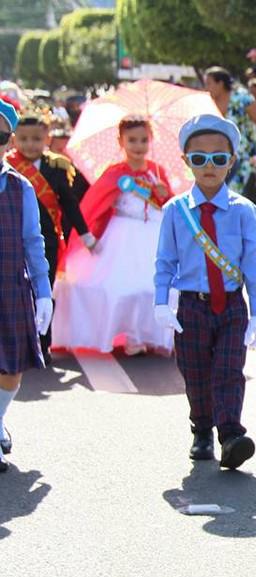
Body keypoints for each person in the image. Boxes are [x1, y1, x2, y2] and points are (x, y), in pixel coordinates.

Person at [152, 115, 256, 469]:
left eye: (219, 158)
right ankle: (202, 431)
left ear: (231, 162)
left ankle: (231, 434)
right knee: (195, 370)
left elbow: (254, 264)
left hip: (232, 304)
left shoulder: (244, 211)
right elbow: (165, 260)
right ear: (186, 161)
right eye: (199, 158)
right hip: (192, 304)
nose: (209, 166)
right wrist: (161, 302)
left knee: (230, 369)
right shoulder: (175, 211)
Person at [52, 115, 175, 356]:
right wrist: (91, 235)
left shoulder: (157, 171)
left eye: (143, 140)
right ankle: (128, 335)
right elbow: (97, 203)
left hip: (153, 233)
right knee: (120, 287)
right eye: (132, 140)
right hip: (122, 234)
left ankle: (147, 334)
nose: (138, 146)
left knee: (154, 288)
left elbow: (168, 204)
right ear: (121, 141)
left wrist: (164, 193)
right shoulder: (115, 172)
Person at [5, 113, 97, 358]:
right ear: (13, 140)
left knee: (44, 290)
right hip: (11, 241)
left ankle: (43, 343)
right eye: (23, 138)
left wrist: (85, 234)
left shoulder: (57, 167)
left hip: (46, 240)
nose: (30, 144)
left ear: (47, 138)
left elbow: (69, 204)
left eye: (36, 138)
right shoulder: (8, 166)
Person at [0, 98, 53, 473]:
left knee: (10, 370)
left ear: (9, 141)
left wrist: (44, 292)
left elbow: (34, 241)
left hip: (9, 288)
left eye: (0, 136)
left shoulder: (20, 188)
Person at [204, 67, 256, 193]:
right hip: (220, 158)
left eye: (209, 83)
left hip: (245, 155)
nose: (206, 88)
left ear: (220, 83)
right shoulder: (209, 103)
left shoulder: (242, 98)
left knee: (236, 192)